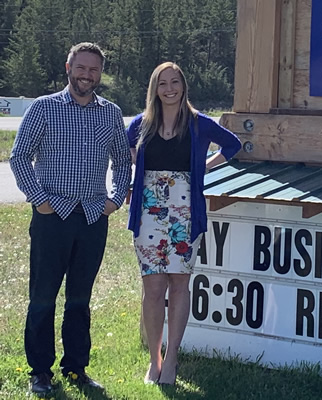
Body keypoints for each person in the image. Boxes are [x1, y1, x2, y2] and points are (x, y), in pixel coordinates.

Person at [9, 42, 132, 395]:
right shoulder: (44, 108)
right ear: (68, 67)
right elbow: (19, 157)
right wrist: (39, 200)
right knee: (43, 296)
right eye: (82, 68)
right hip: (52, 217)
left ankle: (76, 367)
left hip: (93, 218)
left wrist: (114, 200)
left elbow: (123, 161)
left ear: (100, 74)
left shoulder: (110, 113)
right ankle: (40, 371)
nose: (87, 75)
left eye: (94, 70)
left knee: (80, 297)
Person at [126, 61, 241, 385]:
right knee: (152, 287)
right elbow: (121, 149)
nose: (169, 88)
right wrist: (135, 163)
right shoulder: (141, 124)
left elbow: (232, 145)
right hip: (148, 212)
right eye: (163, 83)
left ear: (183, 85)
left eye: (175, 82)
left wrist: (205, 166)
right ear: (155, 88)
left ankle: (173, 357)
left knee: (179, 284)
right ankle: (155, 360)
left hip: (185, 214)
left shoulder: (198, 124)